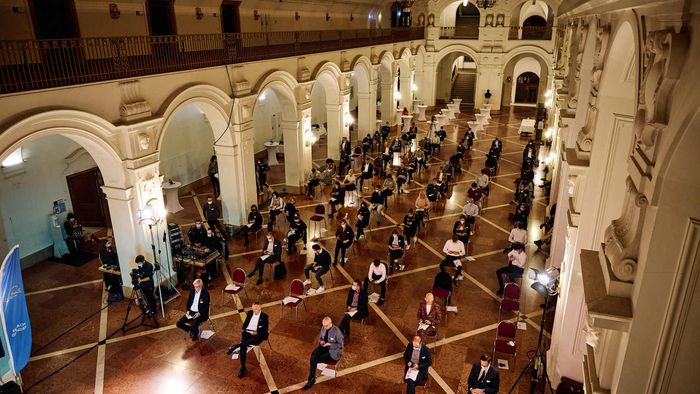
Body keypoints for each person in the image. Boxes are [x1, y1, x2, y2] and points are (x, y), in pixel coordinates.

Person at [226, 302, 269, 378]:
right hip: (247, 333)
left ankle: (236, 346)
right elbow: (245, 324)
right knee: (243, 346)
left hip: (257, 335)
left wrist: (256, 332)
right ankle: (243, 367)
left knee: (244, 344)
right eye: (253, 309)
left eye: (255, 309)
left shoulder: (264, 316)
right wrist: (243, 330)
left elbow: (264, 331)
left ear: (260, 308)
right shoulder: (250, 313)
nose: (254, 311)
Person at [303, 317, 344, 390]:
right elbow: (320, 338)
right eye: (323, 326)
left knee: (315, 360)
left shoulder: (337, 331)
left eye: (326, 326)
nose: (324, 327)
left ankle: (311, 380)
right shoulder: (323, 327)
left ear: (331, 323)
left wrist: (330, 344)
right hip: (323, 346)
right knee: (313, 356)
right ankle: (311, 379)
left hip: (332, 351)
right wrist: (321, 341)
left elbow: (340, 345)